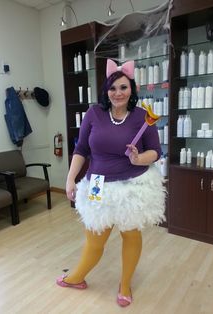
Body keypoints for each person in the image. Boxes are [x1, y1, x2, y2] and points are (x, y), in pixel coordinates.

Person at [56, 59, 166, 307]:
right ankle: (77, 277)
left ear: (132, 90)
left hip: (132, 185)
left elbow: (156, 152)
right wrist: (71, 177)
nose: (118, 93)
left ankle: (125, 285)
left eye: (123, 87)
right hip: (97, 185)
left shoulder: (142, 117)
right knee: (95, 239)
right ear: (106, 90)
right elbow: (81, 148)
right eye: (112, 88)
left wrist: (139, 159)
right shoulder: (94, 113)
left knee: (130, 235)